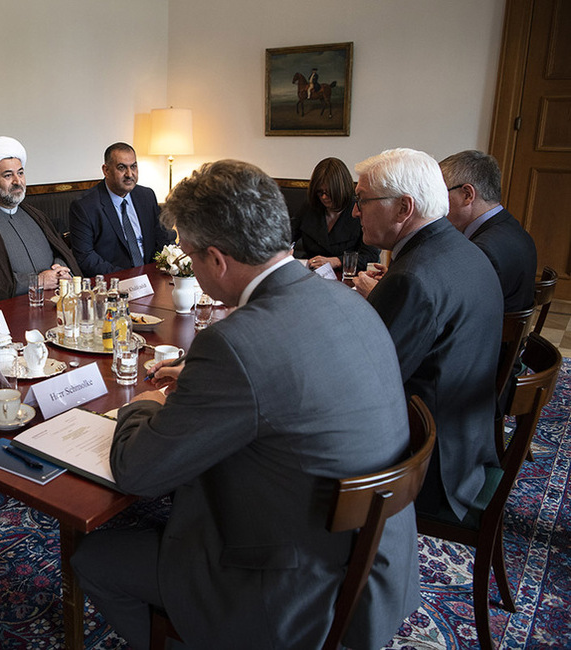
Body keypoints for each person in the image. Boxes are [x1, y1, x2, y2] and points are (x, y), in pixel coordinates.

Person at [71, 159, 418, 649]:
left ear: (217, 259)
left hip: (291, 592)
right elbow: (286, 380)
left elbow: (137, 472)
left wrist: (143, 404)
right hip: (377, 563)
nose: (190, 266)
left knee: (94, 558)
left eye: (190, 256)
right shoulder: (350, 301)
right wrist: (207, 380)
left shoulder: (234, 345)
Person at [351, 148, 503, 521]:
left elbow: (366, 386)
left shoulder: (411, 278)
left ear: (404, 209)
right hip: (469, 444)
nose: (355, 212)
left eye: (362, 201)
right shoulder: (462, 250)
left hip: (431, 465)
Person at [0, 136, 80, 310]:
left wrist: (60, 268)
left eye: (20, 173)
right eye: (8, 175)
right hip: (11, 314)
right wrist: (37, 281)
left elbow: (59, 248)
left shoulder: (35, 215)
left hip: (53, 307)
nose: (18, 181)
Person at [440, 149, 537, 311]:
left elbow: (455, 310)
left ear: (467, 195)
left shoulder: (483, 250)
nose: (439, 203)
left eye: (442, 193)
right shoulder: (512, 227)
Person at [68, 142, 174, 276]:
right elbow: (85, 257)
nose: (129, 174)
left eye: (133, 166)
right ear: (106, 170)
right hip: (114, 282)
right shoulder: (84, 206)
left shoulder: (147, 196)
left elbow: (162, 238)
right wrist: (127, 276)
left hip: (152, 276)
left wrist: (157, 269)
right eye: (122, 167)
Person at [292, 157, 379, 273]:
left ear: (340, 189)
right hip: (311, 273)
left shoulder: (359, 210)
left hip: (347, 278)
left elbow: (370, 256)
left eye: (328, 193)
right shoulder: (310, 207)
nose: (323, 197)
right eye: (320, 192)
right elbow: (287, 236)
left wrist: (336, 261)